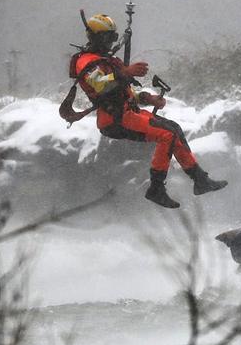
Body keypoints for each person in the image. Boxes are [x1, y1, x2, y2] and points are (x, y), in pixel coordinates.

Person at [68, 13, 226, 208]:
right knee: (167, 135)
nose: (111, 43)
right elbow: (100, 85)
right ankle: (156, 189)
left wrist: (147, 98)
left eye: (114, 38)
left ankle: (200, 179)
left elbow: (124, 92)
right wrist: (125, 72)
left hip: (128, 113)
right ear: (96, 37)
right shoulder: (86, 61)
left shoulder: (107, 61)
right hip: (114, 118)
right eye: (108, 38)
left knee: (174, 129)